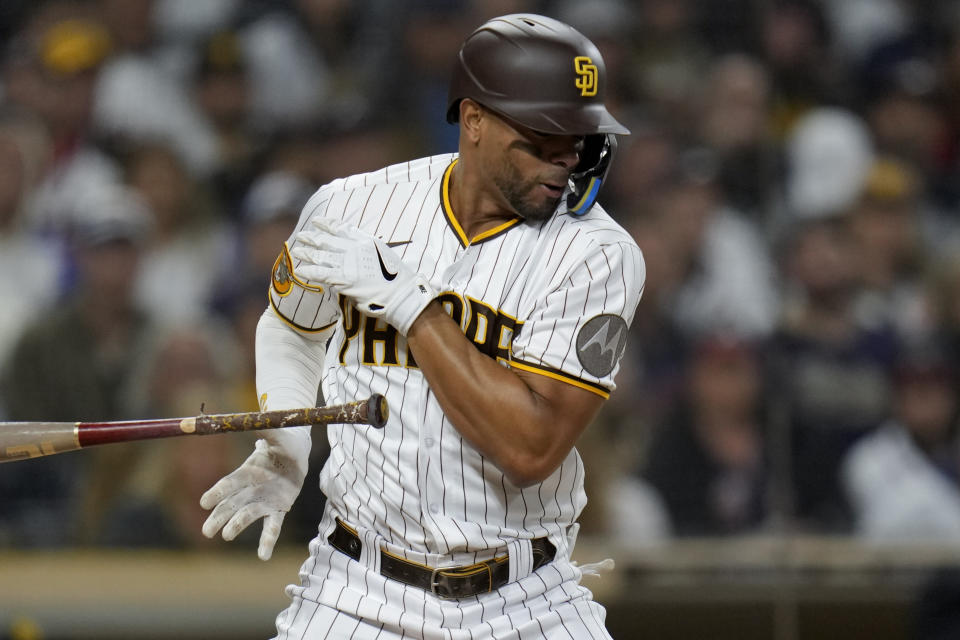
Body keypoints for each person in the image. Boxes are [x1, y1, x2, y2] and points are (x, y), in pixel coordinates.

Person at [199, 13, 644, 639]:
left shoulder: (597, 253)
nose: (564, 161)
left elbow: (531, 449)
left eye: (577, 139)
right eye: (543, 139)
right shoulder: (352, 206)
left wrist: (410, 304)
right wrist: (288, 443)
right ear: (474, 120)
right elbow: (293, 328)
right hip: (356, 587)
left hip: (526, 595)